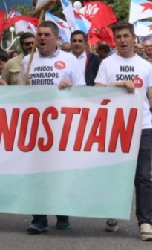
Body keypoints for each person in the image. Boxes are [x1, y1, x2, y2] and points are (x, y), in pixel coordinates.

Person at [21, 21, 84, 234]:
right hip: (35, 126)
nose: (42, 38)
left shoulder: (70, 60)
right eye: (39, 34)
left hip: (61, 126)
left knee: (59, 170)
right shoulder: (27, 61)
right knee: (37, 173)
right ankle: (38, 218)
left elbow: (83, 90)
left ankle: (61, 212)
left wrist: (70, 86)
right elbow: (22, 91)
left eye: (47, 34)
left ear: (57, 38)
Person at [95, 22, 152, 240]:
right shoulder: (107, 64)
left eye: (126, 36)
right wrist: (119, 84)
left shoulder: (146, 66)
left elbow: (150, 98)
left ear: (133, 37)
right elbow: (98, 92)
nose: (122, 40)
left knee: (143, 177)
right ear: (114, 40)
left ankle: (145, 222)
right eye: (118, 37)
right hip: (115, 126)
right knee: (116, 172)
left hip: (143, 125)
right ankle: (113, 213)